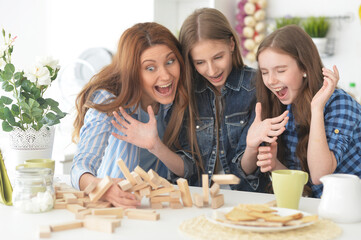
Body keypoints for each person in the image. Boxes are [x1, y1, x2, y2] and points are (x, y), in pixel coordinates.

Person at [70, 22, 188, 207]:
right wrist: (101, 188)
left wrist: (155, 145)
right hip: (118, 207)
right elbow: (80, 167)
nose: (165, 76)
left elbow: (189, 169)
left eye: (170, 62)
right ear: (132, 72)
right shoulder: (109, 100)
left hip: (160, 207)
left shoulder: (179, 99)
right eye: (150, 68)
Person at [246, 25, 361, 198]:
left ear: (304, 68)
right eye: (264, 72)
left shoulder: (341, 104)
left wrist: (316, 109)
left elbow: (319, 176)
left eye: (281, 70)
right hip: (314, 208)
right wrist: (274, 164)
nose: (270, 80)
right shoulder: (284, 105)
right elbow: (304, 187)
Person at [172, 8, 270, 192]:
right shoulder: (186, 92)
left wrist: (251, 146)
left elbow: (248, 170)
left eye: (218, 57)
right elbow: (186, 166)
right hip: (197, 197)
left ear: (232, 44)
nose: (212, 70)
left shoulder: (257, 85)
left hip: (245, 197)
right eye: (200, 62)